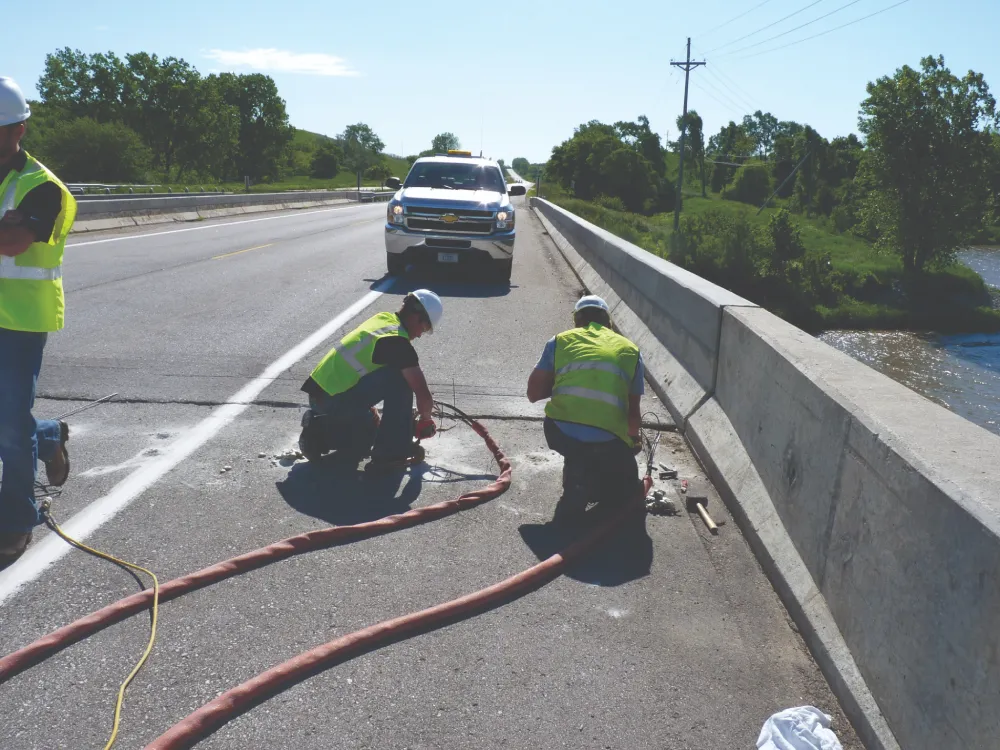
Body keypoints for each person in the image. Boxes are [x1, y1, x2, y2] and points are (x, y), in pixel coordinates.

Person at [0, 77, 76, 563]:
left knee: (8, 426)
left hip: (21, 322)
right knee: (12, 422)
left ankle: (16, 520)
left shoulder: (40, 186)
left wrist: (7, 231)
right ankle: (48, 435)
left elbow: (13, 244)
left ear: (20, 129)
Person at [299, 290, 442, 475]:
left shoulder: (384, 319)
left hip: (320, 395)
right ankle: (390, 456)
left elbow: (363, 369)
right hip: (332, 399)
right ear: (417, 317)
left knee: (369, 434)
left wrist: (367, 406)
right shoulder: (398, 342)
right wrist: (425, 419)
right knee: (401, 380)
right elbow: (422, 392)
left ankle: (317, 434)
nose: (421, 335)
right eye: (424, 328)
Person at [526, 295, 644, 521]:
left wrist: (563, 384)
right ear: (608, 321)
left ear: (576, 321)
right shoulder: (630, 350)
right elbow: (633, 416)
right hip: (610, 440)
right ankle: (597, 476)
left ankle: (578, 472)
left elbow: (533, 394)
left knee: (580, 451)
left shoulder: (559, 341)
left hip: (562, 433)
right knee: (626, 490)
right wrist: (633, 442)